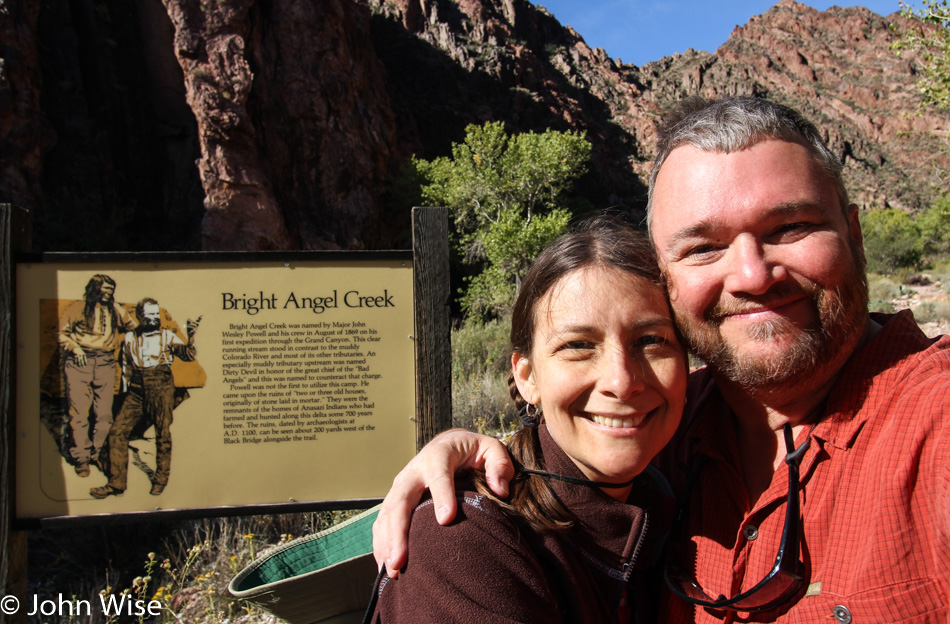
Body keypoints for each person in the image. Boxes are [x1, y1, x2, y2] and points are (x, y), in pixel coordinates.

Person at [372, 97, 950, 623]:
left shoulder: (933, 427)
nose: (752, 276)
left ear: (854, 233)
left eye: (792, 226)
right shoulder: (672, 429)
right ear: (669, 282)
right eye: (704, 247)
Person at [370, 217, 687, 621]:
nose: (622, 382)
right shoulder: (462, 537)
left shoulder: (683, 471)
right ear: (527, 377)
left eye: (651, 341)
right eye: (578, 346)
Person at [90, 298, 199, 498]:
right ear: (140, 316)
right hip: (136, 389)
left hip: (161, 386)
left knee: (162, 433)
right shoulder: (131, 338)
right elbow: (125, 367)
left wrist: (191, 337)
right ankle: (116, 483)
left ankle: (160, 479)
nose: (153, 319)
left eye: (156, 315)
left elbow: (188, 355)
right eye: (149, 316)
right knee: (117, 432)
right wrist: (125, 392)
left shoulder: (167, 336)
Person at [57, 274, 137, 476]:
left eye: (111, 289)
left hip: (105, 363)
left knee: (104, 414)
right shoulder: (77, 308)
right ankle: (81, 458)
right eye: (105, 289)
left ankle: (98, 454)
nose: (108, 293)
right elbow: (61, 333)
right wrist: (75, 348)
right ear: (94, 289)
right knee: (79, 413)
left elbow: (133, 327)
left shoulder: (115, 309)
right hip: (79, 362)